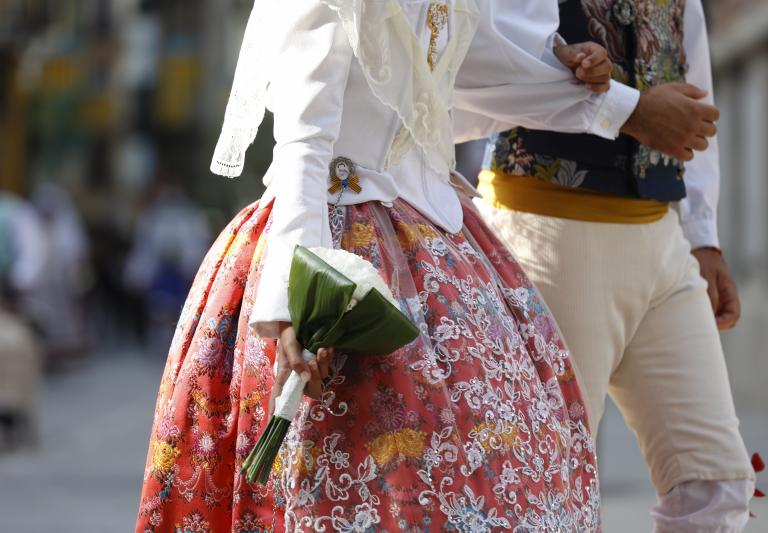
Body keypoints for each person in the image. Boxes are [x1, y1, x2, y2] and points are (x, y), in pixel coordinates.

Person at [136, 1, 640, 531]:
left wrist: (569, 72)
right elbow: (305, 145)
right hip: (336, 247)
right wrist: (294, 303)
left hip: (441, 238)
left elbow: (462, 86)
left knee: (503, 481)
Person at [470, 0, 755, 530]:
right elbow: (489, 60)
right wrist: (632, 109)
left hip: (661, 240)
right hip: (544, 233)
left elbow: (692, 75)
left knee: (716, 485)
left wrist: (702, 236)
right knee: (547, 490)